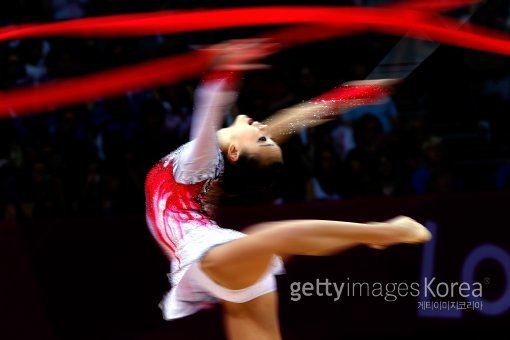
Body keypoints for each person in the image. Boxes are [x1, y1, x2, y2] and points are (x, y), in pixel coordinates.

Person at [144, 40, 431, 340]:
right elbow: (304, 115)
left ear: (234, 153)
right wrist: (359, 93)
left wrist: (227, 69)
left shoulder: (198, 163)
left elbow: (209, 112)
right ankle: (379, 235)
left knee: (267, 236)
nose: (266, 131)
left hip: (210, 255)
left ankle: (381, 234)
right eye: (266, 139)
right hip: (218, 261)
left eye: (262, 140)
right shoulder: (216, 162)